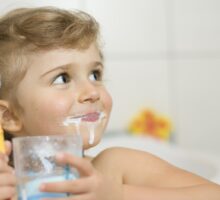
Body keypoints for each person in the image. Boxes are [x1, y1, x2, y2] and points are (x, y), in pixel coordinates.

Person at [0, 7, 219, 200]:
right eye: (62, 79)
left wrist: (119, 195)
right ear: (9, 116)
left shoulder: (115, 167)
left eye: (95, 74)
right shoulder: (6, 183)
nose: (92, 92)